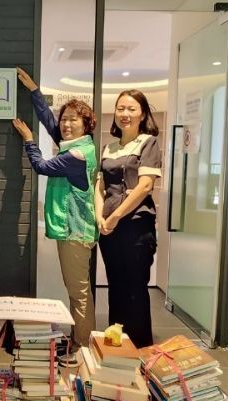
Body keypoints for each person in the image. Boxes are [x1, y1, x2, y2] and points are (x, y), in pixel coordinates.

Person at [13, 68, 98, 364]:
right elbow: (51, 124)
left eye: (74, 119)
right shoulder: (77, 145)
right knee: (77, 290)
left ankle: (82, 347)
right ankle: (79, 340)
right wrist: (35, 91)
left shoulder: (77, 155)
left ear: (86, 124)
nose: (66, 124)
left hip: (76, 231)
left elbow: (41, 166)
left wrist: (28, 139)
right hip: (74, 229)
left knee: (78, 293)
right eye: (65, 119)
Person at [95, 89, 162, 348]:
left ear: (142, 114)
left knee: (135, 289)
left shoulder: (148, 142)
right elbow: (99, 187)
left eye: (132, 109)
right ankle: (116, 346)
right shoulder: (108, 147)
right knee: (116, 287)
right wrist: (100, 217)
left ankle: (140, 349)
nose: (125, 114)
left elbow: (145, 186)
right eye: (120, 108)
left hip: (136, 226)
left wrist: (116, 216)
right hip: (109, 229)